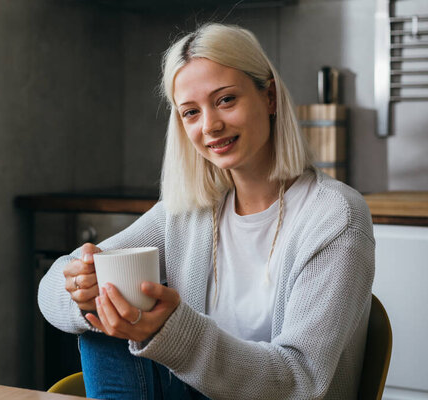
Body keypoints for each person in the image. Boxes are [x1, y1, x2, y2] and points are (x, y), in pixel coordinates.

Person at [38, 23, 374, 400]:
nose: (210, 126)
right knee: (104, 329)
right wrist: (82, 291)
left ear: (270, 97)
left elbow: (299, 381)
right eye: (191, 112)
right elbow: (49, 290)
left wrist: (171, 333)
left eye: (226, 99)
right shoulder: (187, 213)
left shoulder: (334, 217)